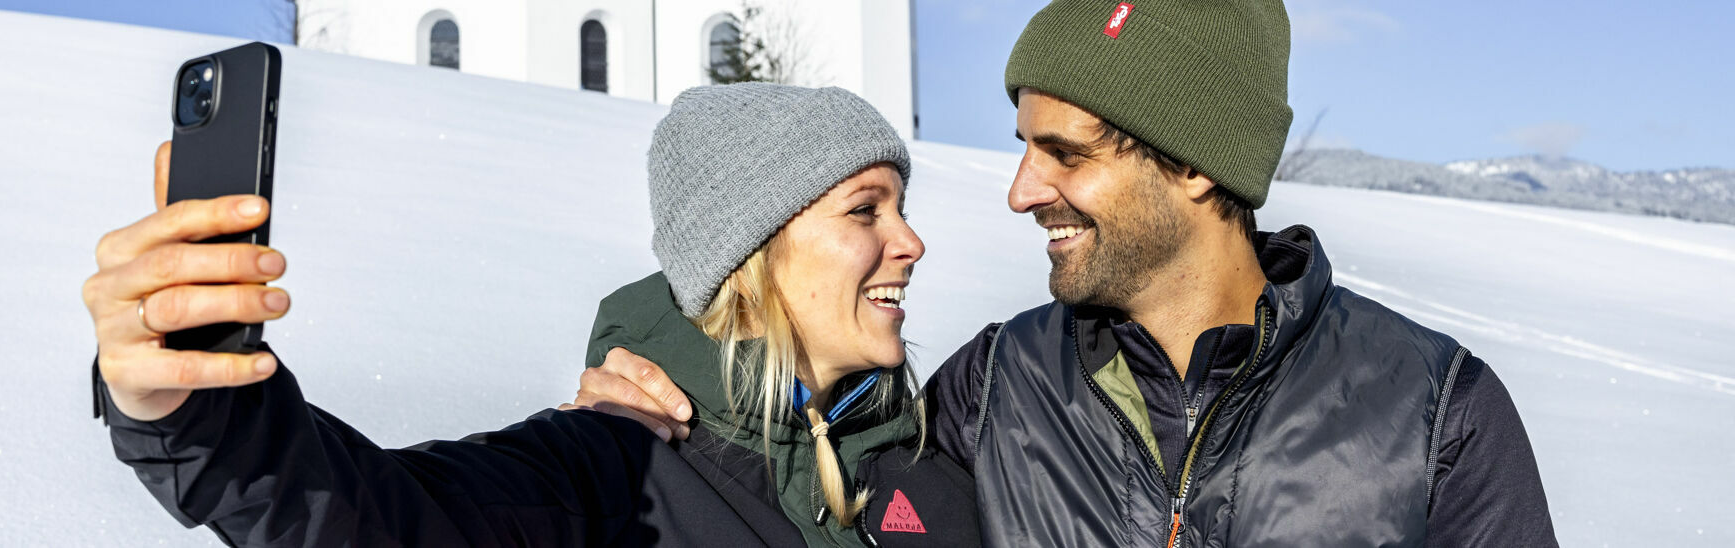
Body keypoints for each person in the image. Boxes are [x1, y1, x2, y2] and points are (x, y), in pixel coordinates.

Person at [572, 1, 1558, 546]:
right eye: (1022, 145)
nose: (1019, 190)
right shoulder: (991, 391)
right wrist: (667, 382)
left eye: (1066, 153)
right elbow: (812, 460)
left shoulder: (1435, 413)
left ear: (1195, 161)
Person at [84, 83, 980, 546]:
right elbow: (377, 521)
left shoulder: (939, 459)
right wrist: (190, 408)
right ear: (751, 253)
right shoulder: (616, 469)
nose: (912, 242)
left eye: (900, 206)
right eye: (866, 210)